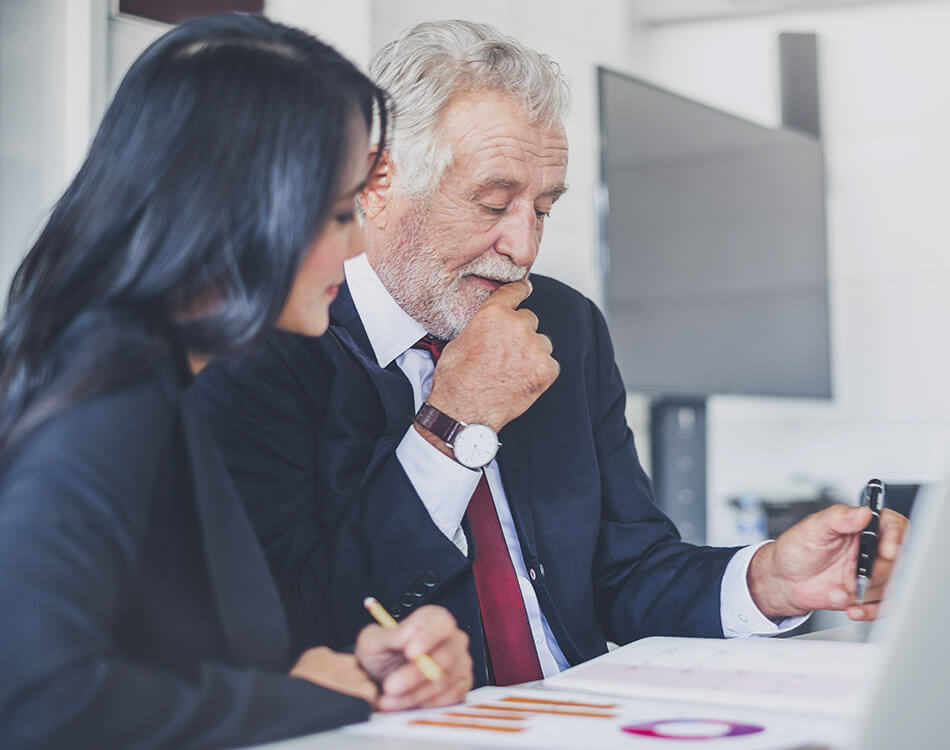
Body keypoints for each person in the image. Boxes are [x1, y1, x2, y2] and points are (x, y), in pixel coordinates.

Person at [197, 20, 908, 688]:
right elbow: (290, 625)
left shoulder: (564, 324)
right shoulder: (266, 343)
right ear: (381, 181)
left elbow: (628, 574)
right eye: (492, 202)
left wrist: (769, 582)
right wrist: (452, 424)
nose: (524, 249)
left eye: (542, 208)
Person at [0, 15, 472, 750]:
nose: (353, 248)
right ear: (248, 207)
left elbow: (156, 653)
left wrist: (345, 672)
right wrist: (295, 702)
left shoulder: (153, 373)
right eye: (342, 212)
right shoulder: (109, 393)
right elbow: (38, 700)